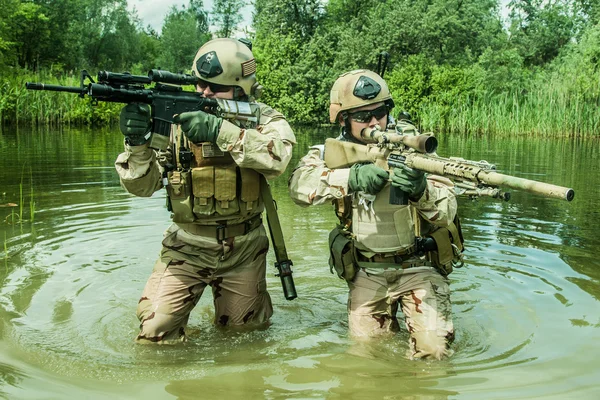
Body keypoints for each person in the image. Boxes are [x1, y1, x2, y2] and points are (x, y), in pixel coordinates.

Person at [115, 38, 296, 344]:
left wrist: (219, 131)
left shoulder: (263, 118)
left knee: (245, 339)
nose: (205, 93)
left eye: (216, 88)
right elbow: (142, 188)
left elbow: (279, 158)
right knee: (154, 333)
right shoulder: (176, 121)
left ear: (242, 89)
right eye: (200, 85)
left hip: (245, 249)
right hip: (186, 246)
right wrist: (137, 143)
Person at [288, 69, 461, 359]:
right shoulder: (332, 152)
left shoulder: (413, 147)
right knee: (366, 359)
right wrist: (350, 179)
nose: (374, 123)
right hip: (367, 270)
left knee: (433, 354)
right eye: (362, 117)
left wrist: (421, 191)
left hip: (418, 267)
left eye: (380, 113)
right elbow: (297, 187)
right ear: (343, 119)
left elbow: (447, 210)